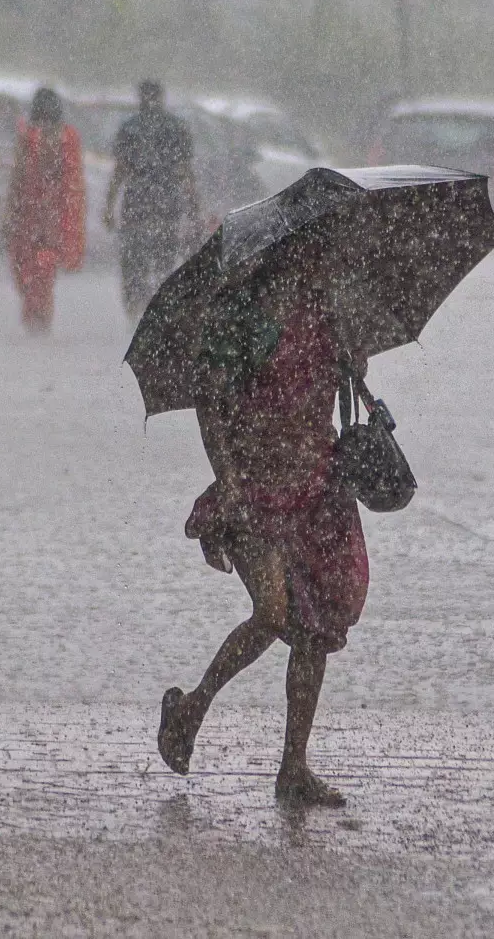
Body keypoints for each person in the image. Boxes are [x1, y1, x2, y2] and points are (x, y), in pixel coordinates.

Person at [157, 255, 369, 807]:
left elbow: (339, 387)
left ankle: (293, 768)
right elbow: (211, 403)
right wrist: (228, 481)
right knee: (273, 613)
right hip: (253, 490)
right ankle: (193, 707)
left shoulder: (331, 315)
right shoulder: (242, 319)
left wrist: (354, 364)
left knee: (314, 631)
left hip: (317, 488)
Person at [103, 80, 201, 316]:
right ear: (161, 98)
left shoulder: (129, 128)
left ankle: (134, 304)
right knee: (164, 256)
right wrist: (194, 207)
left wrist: (109, 206)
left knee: (134, 256)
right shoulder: (176, 128)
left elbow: (120, 170)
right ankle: (159, 305)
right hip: (167, 200)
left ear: (140, 98)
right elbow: (185, 171)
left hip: (137, 200)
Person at [4, 87, 86, 333]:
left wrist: (12, 211)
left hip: (33, 213)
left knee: (31, 266)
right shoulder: (64, 137)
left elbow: (19, 177)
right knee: (41, 267)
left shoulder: (32, 137)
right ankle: (38, 312)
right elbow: (73, 182)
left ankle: (36, 314)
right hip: (51, 214)